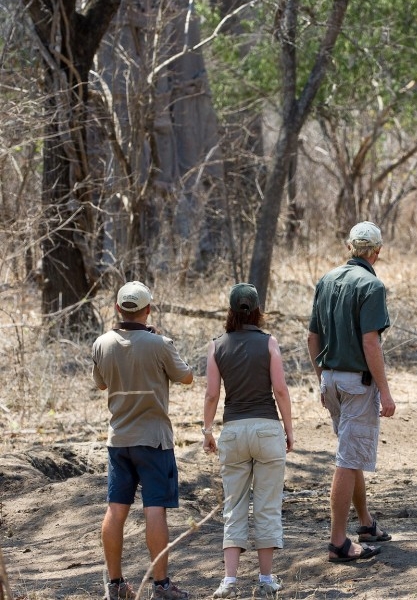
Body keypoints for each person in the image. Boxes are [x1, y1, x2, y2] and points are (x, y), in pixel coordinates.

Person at [92, 281, 194, 600]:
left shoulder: (102, 343)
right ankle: (161, 586)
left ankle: (115, 585)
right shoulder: (160, 343)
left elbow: (99, 384)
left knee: (116, 510)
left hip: (118, 440)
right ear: (148, 310)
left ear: (117, 308)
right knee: (155, 509)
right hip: (154, 440)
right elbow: (187, 376)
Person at [308, 221, 396, 563]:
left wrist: (322, 378)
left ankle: (366, 524)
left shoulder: (326, 280)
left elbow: (312, 338)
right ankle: (338, 543)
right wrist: (385, 392)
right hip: (356, 383)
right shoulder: (371, 285)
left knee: (350, 451)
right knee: (347, 459)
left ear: (349, 247)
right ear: (376, 252)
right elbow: (370, 341)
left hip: (329, 378)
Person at [202, 283, 294, 598]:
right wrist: (289, 429)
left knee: (234, 504)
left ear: (231, 310)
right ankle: (266, 579)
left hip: (234, 430)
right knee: (267, 505)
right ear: (257, 311)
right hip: (267, 429)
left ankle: (228, 580)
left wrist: (207, 430)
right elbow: (280, 389)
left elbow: (212, 393)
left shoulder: (216, 346)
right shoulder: (269, 343)